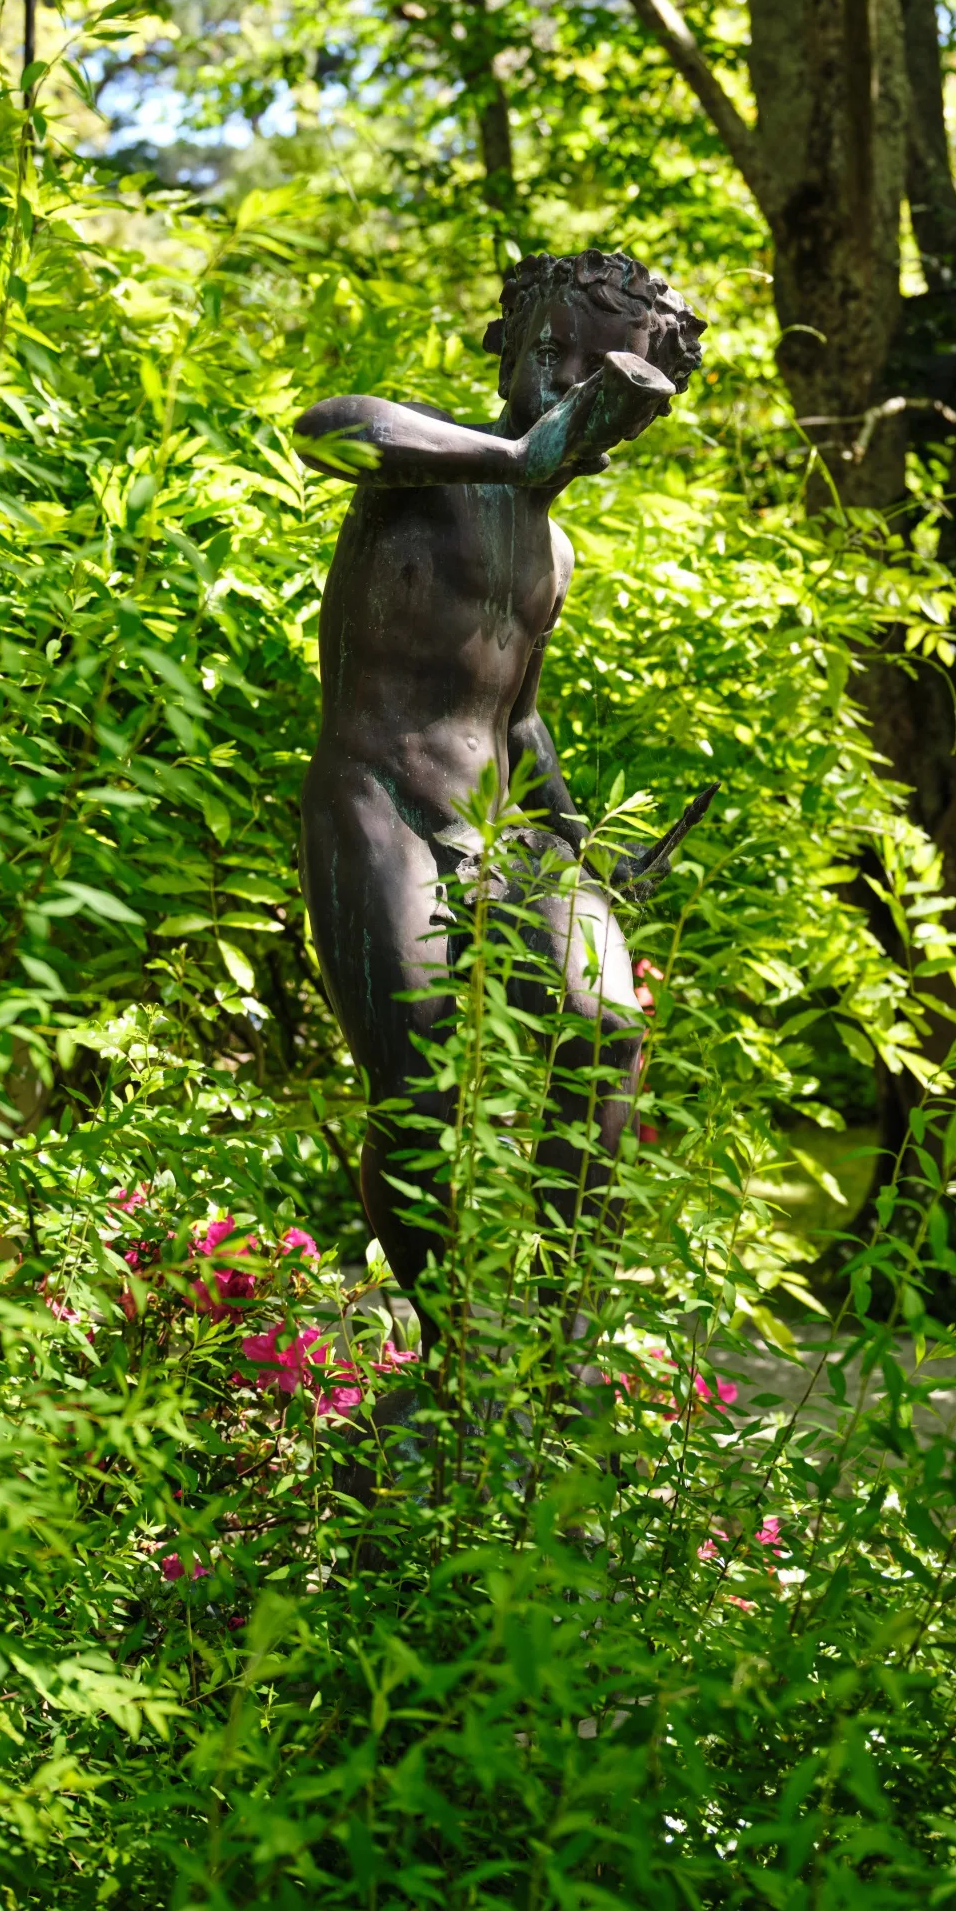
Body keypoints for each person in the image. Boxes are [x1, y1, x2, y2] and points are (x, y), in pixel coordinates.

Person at [296, 249, 707, 1328]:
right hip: (378, 804)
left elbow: (515, 715)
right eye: (550, 359)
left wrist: (584, 844)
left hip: (497, 830)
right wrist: (517, 455)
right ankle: (458, 1343)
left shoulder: (554, 551)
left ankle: (561, 1332)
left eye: (596, 383)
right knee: (420, 1076)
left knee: (609, 1022)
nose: (564, 391)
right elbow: (331, 424)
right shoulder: (433, 464)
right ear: (515, 359)